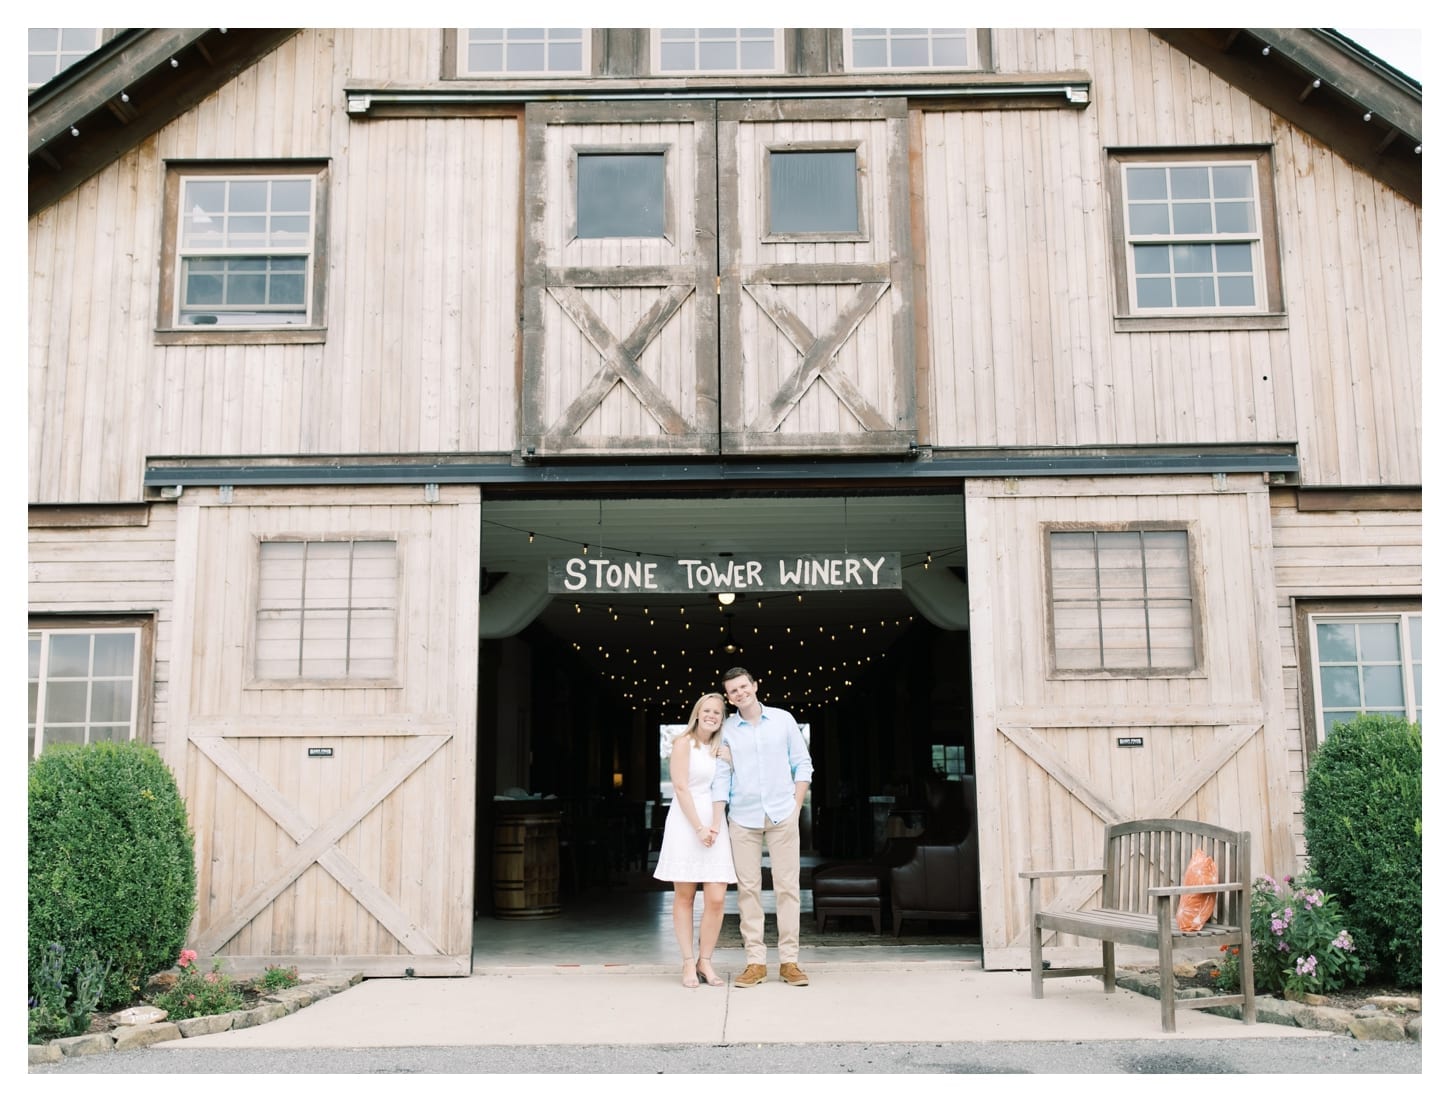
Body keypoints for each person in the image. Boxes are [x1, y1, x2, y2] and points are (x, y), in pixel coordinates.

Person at [711, 666, 813, 988]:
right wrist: (720, 817)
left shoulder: (783, 720)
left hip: (783, 814)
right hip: (743, 817)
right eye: (733, 691)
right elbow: (722, 775)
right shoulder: (727, 729)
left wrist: (796, 807)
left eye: (743, 687)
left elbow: (803, 764)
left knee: (787, 888)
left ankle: (789, 962)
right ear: (729, 697)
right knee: (748, 891)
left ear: (755, 686)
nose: (740, 694)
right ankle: (755, 962)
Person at [652, 692, 735, 988]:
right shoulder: (683, 743)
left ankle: (706, 961)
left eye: (718, 712)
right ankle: (688, 962)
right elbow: (680, 787)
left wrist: (714, 824)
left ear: (722, 718)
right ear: (697, 713)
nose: (712, 715)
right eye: (707, 710)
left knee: (716, 897)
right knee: (685, 896)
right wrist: (699, 827)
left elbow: (724, 788)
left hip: (714, 822)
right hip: (687, 823)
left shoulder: (722, 748)